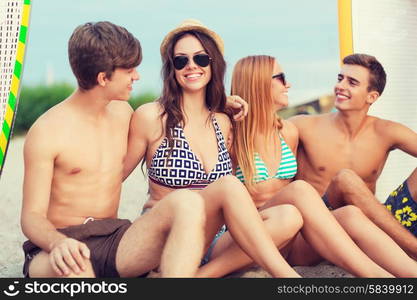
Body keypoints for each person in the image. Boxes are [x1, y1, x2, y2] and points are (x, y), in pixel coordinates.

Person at [20, 21, 213, 278]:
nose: (137, 76)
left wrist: (220, 105)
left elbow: (169, 116)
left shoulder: (124, 113)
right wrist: (57, 243)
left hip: (114, 238)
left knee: (188, 202)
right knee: (80, 272)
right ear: (103, 78)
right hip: (56, 245)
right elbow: (31, 217)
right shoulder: (47, 131)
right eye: (130, 70)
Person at [196, 55, 417, 278]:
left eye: (351, 81)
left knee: (349, 214)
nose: (288, 84)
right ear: (259, 81)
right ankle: (378, 278)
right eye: (281, 78)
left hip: (288, 239)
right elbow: (189, 121)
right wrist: (219, 104)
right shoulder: (229, 132)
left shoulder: (288, 132)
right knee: (300, 191)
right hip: (242, 241)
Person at [123, 19, 303, 278]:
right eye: (181, 61)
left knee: (289, 216)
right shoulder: (151, 116)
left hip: (212, 240)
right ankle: (290, 279)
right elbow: (114, 177)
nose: (192, 66)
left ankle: (201, 276)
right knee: (228, 185)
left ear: (213, 63)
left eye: (201, 59)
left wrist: (223, 102)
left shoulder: (223, 121)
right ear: (171, 69)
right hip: (166, 237)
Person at [290, 53, 417, 260]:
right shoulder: (303, 126)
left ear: (371, 96)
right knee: (345, 179)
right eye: (340, 79)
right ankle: (412, 250)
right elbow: (258, 133)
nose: (341, 86)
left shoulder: (385, 131)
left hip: (366, 230)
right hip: (316, 231)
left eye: (352, 82)